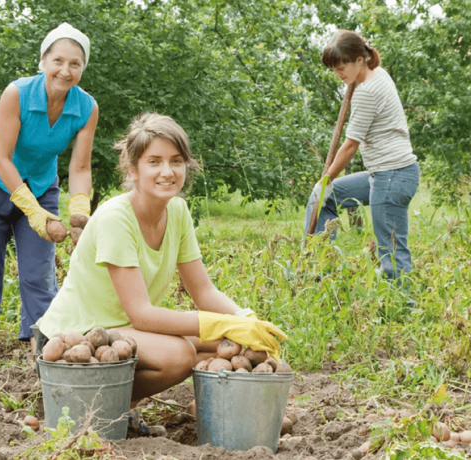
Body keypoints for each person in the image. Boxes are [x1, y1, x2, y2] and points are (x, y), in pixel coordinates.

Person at [36, 113, 286, 436]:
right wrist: (219, 323)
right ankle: (92, 408)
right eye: (154, 161)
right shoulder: (116, 218)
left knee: (230, 342)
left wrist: (245, 319)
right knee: (180, 354)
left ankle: (201, 410)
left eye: (176, 161)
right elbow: (141, 314)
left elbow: (203, 292)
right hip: (76, 341)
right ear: (133, 169)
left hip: (122, 331)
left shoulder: (177, 211)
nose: (167, 172)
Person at [0, 23, 99, 356]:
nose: (65, 71)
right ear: (43, 62)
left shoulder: (86, 108)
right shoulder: (17, 93)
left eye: (75, 64)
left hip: (41, 186)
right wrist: (31, 210)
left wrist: (80, 211)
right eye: (58, 61)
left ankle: (41, 350)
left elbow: (79, 167)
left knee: (38, 275)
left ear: (82, 68)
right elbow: (2, 157)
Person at [304, 29, 420, 282]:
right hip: (387, 174)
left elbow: (349, 146)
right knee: (323, 200)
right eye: (334, 68)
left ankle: (401, 309)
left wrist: (325, 181)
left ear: (360, 60)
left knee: (391, 253)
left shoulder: (367, 91)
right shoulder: (378, 74)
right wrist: (324, 189)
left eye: (342, 66)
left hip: (392, 176)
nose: (337, 74)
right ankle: (320, 274)